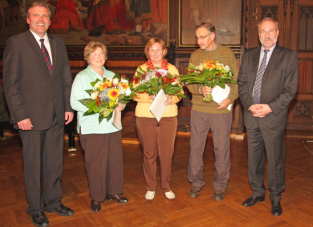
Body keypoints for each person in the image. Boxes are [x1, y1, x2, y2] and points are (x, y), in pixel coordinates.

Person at [3, 2, 74, 227]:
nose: (41, 19)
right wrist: (19, 114)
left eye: (45, 16)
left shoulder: (59, 44)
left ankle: (53, 202)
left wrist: (68, 107)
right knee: (33, 165)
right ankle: (36, 208)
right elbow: (10, 84)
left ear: (50, 21)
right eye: (36, 15)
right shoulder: (16, 43)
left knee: (54, 162)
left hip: (57, 116)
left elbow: (65, 78)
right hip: (30, 117)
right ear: (28, 19)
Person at [237, 17, 299, 216]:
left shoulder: (288, 56)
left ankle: (275, 197)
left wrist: (269, 108)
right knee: (254, 158)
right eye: (263, 31)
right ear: (258, 33)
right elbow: (242, 84)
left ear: (277, 33)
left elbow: (290, 90)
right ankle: (257, 192)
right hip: (252, 115)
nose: (267, 35)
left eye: (271, 31)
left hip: (273, 117)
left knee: (274, 158)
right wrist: (251, 106)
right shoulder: (249, 55)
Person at [70, 41, 128, 213]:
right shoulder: (82, 77)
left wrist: (120, 106)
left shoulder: (113, 76)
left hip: (113, 125)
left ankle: (114, 192)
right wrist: (98, 104)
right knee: (95, 164)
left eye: (101, 53)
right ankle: (97, 197)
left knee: (114, 161)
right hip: (92, 127)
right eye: (94, 54)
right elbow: (74, 102)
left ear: (105, 57)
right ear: (87, 57)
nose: (98, 57)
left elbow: (122, 98)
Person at [187, 22, 238, 201]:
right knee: (196, 147)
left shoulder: (226, 53)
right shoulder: (195, 55)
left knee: (221, 148)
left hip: (220, 110)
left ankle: (220, 185)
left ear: (213, 36)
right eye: (197, 37)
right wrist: (200, 90)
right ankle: (196, 182)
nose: (199, 40)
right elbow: (190, 82)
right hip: (199, 108)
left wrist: (229, 99)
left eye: (203, 37)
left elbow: (236, 82)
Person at [133, 38, 182, 201]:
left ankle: (166, 186)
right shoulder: (141, 70)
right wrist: (149, 96)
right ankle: (151, 187)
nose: (155, 53)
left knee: (167, 154)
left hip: (168, 116)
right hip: (146, 116)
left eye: (158, 50)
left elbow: (179, 92)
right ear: (148, 52)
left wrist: (171, 99)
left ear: (164, 52)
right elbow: (134, 92)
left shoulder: (173, 69)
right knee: (149, 153)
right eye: (151, 50)